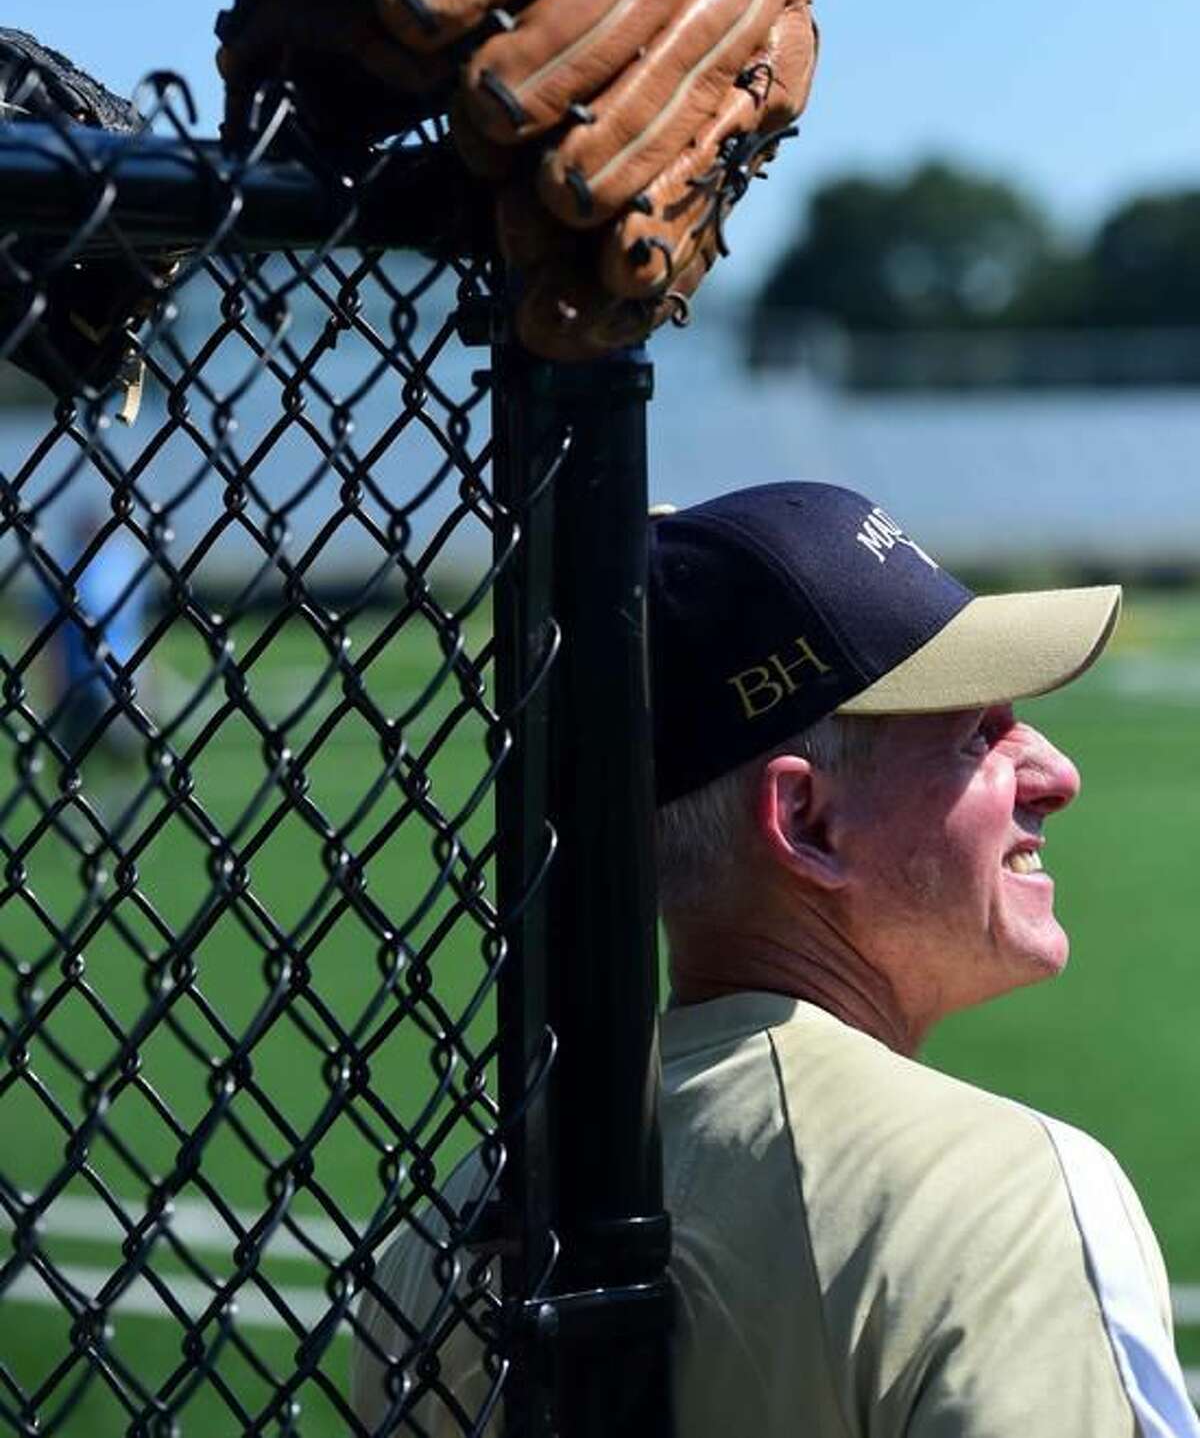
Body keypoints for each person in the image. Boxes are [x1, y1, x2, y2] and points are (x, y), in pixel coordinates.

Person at [353, 480, 1198, 1436]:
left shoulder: (452, 1231)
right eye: (980, 733)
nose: (1055, 775)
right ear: (806, 820)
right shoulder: (1003, 1201)